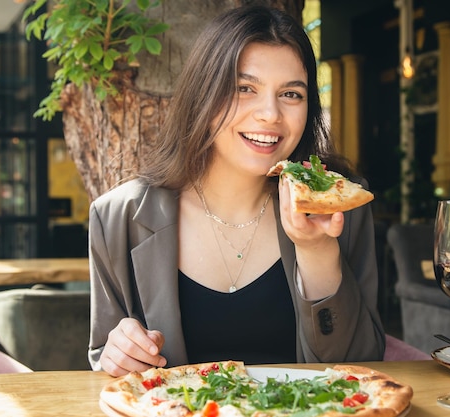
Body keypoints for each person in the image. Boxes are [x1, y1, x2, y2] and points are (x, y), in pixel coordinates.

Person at [88, 5, 385, 377]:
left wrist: (317, 250)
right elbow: (105, 362)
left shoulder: (341, 208)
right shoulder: (118, 218)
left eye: (291, 94)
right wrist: (115, 354)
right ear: (203, 95)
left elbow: (362, 367)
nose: (270, 114)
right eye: (244, 88)